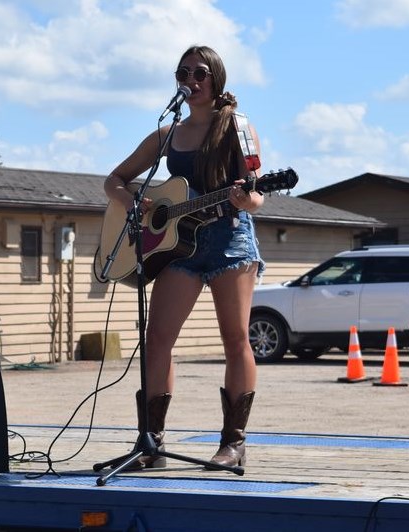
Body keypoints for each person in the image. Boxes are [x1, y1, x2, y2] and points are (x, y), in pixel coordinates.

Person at [103, 45, 264, 469]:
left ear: (216, 80)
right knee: (157, 339)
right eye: (183, 72)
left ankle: (234, 442)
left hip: (230, 242)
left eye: (200, 72)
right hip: (179, 247)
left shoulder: (237, 127)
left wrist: (242, 199)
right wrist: (132, 202)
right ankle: (151, 443)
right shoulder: (167, 135)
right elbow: (114, 180)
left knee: (235, 338)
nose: (190, 79)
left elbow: (257, 196)